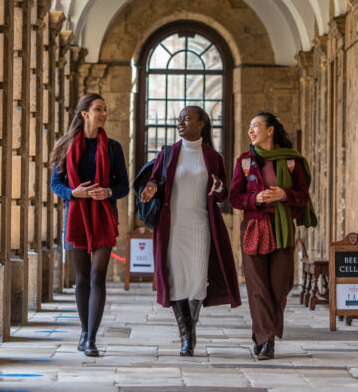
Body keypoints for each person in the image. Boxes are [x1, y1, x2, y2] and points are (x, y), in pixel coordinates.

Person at [139, 106, 240, 356]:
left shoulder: (213, 156)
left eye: (187, 118)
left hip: (200, 225)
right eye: (179, 119)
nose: (181, 122)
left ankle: (190, 329)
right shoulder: (168, 153)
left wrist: (217, 187)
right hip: (173, 226)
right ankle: (187, 335)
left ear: (201, 124)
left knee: (197, 283)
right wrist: (152, 188)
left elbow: (223, 194)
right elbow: (155, 180)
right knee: (176, 281)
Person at [230, 111, 316, 360]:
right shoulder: (245, 161)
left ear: (270, 130)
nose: (251, 130)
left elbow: (303, 195)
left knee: (280, 286)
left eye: (255, 125)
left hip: (283, 229)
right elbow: (235, 197)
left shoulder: (292, 161)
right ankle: (267, 340)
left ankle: (261, 331)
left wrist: (284, 196)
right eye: (249, 126)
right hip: (254, 227)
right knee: (257, 287)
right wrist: (254, 198)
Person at [49, 93, 129, 357]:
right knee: (82, 277)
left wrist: (107, 192)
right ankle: (84, 332)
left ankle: (92, 338)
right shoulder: (66, 145)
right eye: (98, 109)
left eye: (104, 109)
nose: (103, 113)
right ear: (84, 113)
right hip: (75, 218)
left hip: (104, 218)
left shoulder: (114, 147)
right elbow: (55, 184)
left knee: (97, 276)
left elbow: (123, 186)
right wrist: (75, 193)